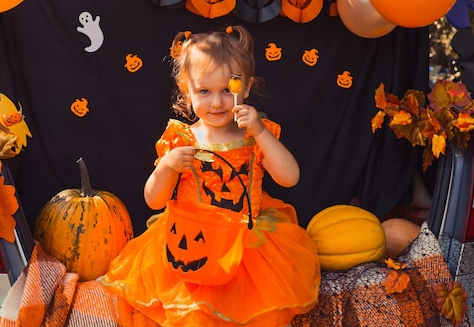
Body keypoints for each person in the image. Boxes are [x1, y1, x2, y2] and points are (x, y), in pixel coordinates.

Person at [101, 25, 321, 326]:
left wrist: (259, 132)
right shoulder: (181, 139)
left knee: (254, 309)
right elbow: (154, 200)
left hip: (245, 245)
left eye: (227, 91)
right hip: (193, 243)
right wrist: (166, 166)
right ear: (186, 91)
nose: (217, 102)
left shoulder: (255, 136)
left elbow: (289, 177)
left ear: (244, 88)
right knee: (195, 314)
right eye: (204, 91)